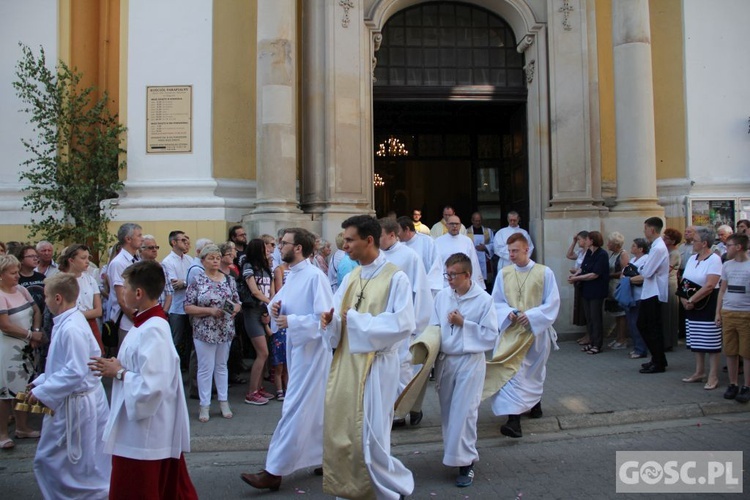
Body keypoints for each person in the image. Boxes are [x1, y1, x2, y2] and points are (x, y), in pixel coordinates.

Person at [320, 215, 416, 499]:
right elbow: (340, 318)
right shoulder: (351, 277)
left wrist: (358, 321)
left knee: (371, 435)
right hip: (348, 364)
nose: (345, 245)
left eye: (350, 239)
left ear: (369, 240)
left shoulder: (395, 276)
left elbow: (404, 323)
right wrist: (331, 321)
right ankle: (351, 486)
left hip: (377, 365)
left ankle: (386, 488)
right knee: (348, 430)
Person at [89, 260, 198, 500]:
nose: (122, 293)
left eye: (124, 287)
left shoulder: (154, 329)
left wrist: (118, 372)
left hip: (145, 433)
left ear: (138, 293)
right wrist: (118, 367)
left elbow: (153, 386)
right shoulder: (145, 324)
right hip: (139, 428)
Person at [240, 228, 334, 491]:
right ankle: (324, 458)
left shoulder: (316, 277)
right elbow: (276, 303)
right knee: (315, 410)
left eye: (284, 243)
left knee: (294, 408)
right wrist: (275, 309)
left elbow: (325, 319)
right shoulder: (293, 276)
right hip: (297, 350)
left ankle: (274, 470)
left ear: (299, 248)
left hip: (313, 354)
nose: (280, 247)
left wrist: (291, 320)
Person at [28, 272, 110, 498]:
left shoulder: (71, 327)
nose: (43, 301)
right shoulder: (68, 321)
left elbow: (75, 371)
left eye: (45, 296)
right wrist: (40, 382)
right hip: (78, 399)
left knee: (55, 460)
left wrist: (42, 392)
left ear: (57, 298)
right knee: (79, 460)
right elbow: (62, 365)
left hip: (77, 404)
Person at [431, 253, 498, 487]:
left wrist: (464, 324)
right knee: (449, 411)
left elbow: (491, 336)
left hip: (470, 361)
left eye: (453, 275)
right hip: (446, 361)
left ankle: (467, 463)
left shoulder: (483, 300)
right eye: (447, 274)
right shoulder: (442, 297)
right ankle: (453, 455)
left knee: (466, 412)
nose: (449, 279)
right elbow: (434, 326)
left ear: (467, 275)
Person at [487, 233, 560, 438]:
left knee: (532, 373)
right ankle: (513, 420)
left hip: (535, 333)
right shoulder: (504, 273)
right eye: (509, 251)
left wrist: (533, 316)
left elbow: (552, 302)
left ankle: (534, 402)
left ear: (527, 250)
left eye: (515, 251)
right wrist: (506, 313)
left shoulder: (544, 273)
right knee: (510, 373)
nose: (511, 255)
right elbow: (496, 301)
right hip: (511, 332)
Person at [379, 217, 433, 427]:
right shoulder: (378, 257)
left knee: (403, 369)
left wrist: (416, 325)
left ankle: (402, 413)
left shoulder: (409, 257)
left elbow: (419, 290)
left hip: (404, 323)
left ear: (392, 235)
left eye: (380, 235)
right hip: (384, 323)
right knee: (387, 371)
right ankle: (395, 410)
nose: (376, 239)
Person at [185, 244, 241, 422]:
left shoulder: (228, 280)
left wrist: (234, 309)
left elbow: (236, 302)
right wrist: (209, 311)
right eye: (211, 258)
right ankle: (204, 404)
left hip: (224, 328)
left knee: (222, 366)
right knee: (205, 367)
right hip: (204, 329)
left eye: (217, 257)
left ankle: (224, 401)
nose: (215, 261)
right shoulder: (197, 280)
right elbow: (187, 306)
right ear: (203, 261)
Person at [0, 254, 43, 449]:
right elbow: (5, 325)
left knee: (24, 386)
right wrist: (29, 335)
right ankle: (2, 434)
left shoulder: (21, 290)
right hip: (9, 348)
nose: (17, 276)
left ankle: (22, 427)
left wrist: (34, 331)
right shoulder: (0, 296)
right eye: (13, 273)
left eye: (18, 272)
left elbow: (36, 311)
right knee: (6, 392)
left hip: (26, 347)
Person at [680, 226, 723, 389]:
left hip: (708, 303)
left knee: (710, 341)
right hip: (691, 304)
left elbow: (710, 285)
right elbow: (684, 281)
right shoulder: (692, 259)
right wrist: (685, 300)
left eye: (695, 240)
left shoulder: (714, 260)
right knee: (696, 338)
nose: (692, 243)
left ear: (704, 243)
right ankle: (699, 371)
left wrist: (692, 299)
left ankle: (713, 376)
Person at [716, 234, 750, 402]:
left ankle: (747, 386)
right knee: (730, 351)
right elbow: (722, 290)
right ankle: (733, 383)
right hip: (728, 312)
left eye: (729, 245)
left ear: (738, 247)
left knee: (746, 352)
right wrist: (718, 312)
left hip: (746, 313)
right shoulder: (727, 265)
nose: (726, 248)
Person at [242, 238, 276, 405]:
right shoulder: (248, 267)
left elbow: (271, 290)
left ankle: (259, 387)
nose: (268, 250)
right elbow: (254, 291)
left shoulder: (266, 269)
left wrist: (270, 306)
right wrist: (269, 302)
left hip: (263, 311)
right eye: (265, 248)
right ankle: (251, 392)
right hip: (252, 311)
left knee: (265, 352)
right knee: (262, 353)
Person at [637, 217, 670, 374]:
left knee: (650, 327)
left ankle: (658, 361)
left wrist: (642, 269)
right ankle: (657, 358)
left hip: (654, 292)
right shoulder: (655, 246)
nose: (644, 231)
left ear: (652, 229)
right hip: (650, 291)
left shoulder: (658, 248)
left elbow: (646, 271)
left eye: (645, 228)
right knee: (647, 326)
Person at [58, 244, 105, 352]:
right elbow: (60, 311)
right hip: (70, 326)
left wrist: (75, 314)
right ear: (71, 260)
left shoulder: (90, 280)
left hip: (90, 325)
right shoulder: (60, 281)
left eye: (88, 258)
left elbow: (98, 311)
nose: (87, 261)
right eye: (83, 258)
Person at [568, 231, 609, 355]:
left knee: (596, 317)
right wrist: (574, 275)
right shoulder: (589, 253)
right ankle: (591, 341)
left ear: (592, 240)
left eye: (588, 239)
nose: (586, 241)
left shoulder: (602, 254)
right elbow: (583, 268)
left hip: (597, 290)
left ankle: (597, 344)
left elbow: (595, 274)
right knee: (589, 317)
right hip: (586, 290)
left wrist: (577, 278)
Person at [107, 223, 144, 349]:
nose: (142, 238)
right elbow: (122, 299)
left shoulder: (137, 259)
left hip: (139, 316)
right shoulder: (118, 263)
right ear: (128, 239)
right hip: (127, 321)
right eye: (139, 236)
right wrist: (138, 320)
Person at [162, 230, 193, 370]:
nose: (186, 243)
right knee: (176, 339)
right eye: (182, 240)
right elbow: (174, 285)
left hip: (190, 304)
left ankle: (186, 366)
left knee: (189, 339)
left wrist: (184, 283)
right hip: (176, 306)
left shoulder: (189, 259)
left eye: (186, 240)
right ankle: (172, 368)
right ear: (173, 242)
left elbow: (195, 280)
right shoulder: (167, 261)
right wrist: (186, 283)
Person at [434, 215, 486, 290]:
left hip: (463, 283)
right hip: (444, 283)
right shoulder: (438, 242)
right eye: (451, 224)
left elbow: (473, 262)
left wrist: (478, 285)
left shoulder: (467, 241)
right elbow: (436, 265)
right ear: (446, 225)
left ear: (460, 225)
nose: (454, 226)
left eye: (457, 224)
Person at [397, 216, 444, 293]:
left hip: (424, 289)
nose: (397, 234)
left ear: (407, 229)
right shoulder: (399, 245)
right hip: (405, 289)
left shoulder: (427, 242)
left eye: (398, 231)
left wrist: (425, 287)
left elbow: (436, 265)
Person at [625, 238, 651, 359]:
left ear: (641, 249)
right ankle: (636, 347)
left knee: (637, 323)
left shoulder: (646, 259)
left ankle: (641, 349)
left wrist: (629, 279)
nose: (632, 247)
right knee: (631, 323)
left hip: (640, 295)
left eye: (634, 246)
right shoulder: (632, 260)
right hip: (630, 295)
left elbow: (643, 276)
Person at [605, 232, 629, 350]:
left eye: (610, 242)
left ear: (616, 244)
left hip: (618, 285)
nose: (607, 244)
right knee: (615, 313)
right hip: (611, 286)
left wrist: (610, 275)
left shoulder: (622, 254)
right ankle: (618, 337)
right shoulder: (612, 254)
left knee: (621, 314)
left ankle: (622, 339)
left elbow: (624, 271)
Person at [139, 235, 174, 313]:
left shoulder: (162, 267)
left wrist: (164, 312)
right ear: (141, 250)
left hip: (160, 311)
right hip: (142, 312)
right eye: (151, 248)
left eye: (156, 247)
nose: (154, 250)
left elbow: (169, 293)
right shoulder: (136, 268)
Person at [662, 228, 683, 351]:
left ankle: (669, 341)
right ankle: (665, 339)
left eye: (667, 238)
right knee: (664, 313)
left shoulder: (674, 253)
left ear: (673, 241)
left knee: (669, 312)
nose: (664, 240)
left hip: (670, 283)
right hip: (664, 283)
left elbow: (667, 269)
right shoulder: (667, 251)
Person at [566, 231, 589, 337]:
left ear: (585, 239)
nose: (579, 241)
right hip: (578, 281)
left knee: (587, 310)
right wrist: (574, 241)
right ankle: (587, 334)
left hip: (585, 282)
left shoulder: (589, 252)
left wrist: (576, 271)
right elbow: (569, 255)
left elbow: (586, 269)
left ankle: (589, 335)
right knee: (581, 309)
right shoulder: (580, 252)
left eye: (579, 239)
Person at [15, 244, 47, 312]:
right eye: (31, 256)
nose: (35, 259)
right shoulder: (16, 278)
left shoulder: (42, 277)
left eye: (36, 256)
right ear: (21, 260)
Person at [466, 211, 494, 284]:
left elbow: (493, 244)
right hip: (472, 259)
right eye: (476, 221)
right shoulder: (466, 232)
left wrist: (485, 247)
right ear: (472, 220)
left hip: (485, 259)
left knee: (486, 281)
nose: (478, 223)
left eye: (479, 221)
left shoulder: (488, 231)